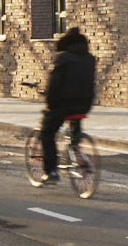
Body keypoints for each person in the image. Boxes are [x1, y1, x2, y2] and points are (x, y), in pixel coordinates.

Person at [38, 28, 95, 182]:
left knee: (47, 133)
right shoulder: (90, 58)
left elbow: (55, 84)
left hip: (64, 105)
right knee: (74, 131)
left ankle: (51, 172)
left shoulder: (62, 58)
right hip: (85, 103)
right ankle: (78, 150)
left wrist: (50, 104)